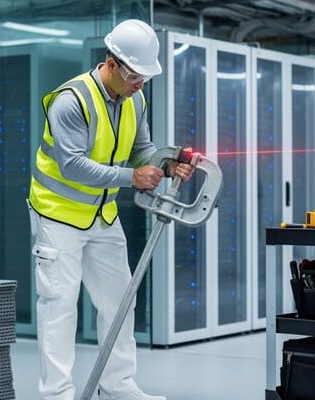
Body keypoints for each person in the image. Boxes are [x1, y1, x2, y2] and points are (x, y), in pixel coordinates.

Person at [27, 19, 194, 400]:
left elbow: (142, 151)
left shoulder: (135, 98)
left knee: (121, 298)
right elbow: (73, 165)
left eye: (146, 77)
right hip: (58, 215)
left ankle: (117, 385)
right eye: (136, 75)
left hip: (101, 215)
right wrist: (132, 178)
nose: (141, 83)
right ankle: (57, 394)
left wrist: (166, 163)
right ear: (112, 63)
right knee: (60, 306)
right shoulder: (71, 100)